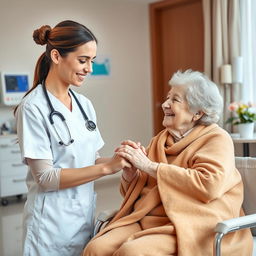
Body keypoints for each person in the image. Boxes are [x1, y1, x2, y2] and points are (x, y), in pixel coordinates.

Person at [83, 70, 253, 256]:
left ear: (197, 113)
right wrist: (131, 175)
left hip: (195, 224)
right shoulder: (160, 140)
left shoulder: (216, 139)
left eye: (175, 100)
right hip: (149, 219)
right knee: (95, 249)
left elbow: (208, 185)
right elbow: (136, 194)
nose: (165, 104)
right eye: (167, 98)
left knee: (132, 253)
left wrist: (149, 166)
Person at [15, 20, 131, 256]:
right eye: (83, 60)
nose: (89, 68)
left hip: (82, 218)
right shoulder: (32, 107)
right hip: (49, 227)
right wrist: (107, 169)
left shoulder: (84, 105)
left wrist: (122, 160)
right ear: (56, 56)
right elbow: (45, 178)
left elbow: (92, 159)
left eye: (92, 61)